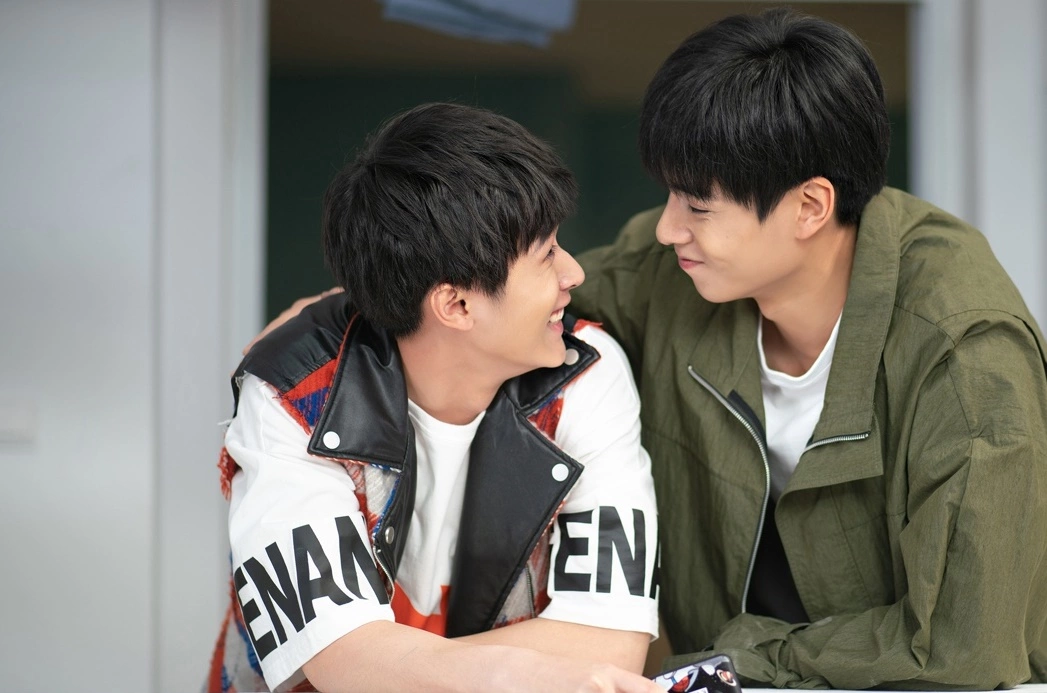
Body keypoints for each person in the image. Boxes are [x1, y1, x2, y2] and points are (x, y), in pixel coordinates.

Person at [255, 8, 1047, 690]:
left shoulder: (965, 354)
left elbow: (962, 645)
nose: (667, 228)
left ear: (810, 206)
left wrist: (738, 657)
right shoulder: (670, 273)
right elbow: (492, 292)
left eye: (696, 206)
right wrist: (336, 314)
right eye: (668, 194)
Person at [206, 102, 662, 693]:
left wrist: (388, 665)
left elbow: (612, 643)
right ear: (456, 304)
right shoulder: (293, 396)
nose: (574, 273)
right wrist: (521, 670)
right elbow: (342, 662)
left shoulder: (584, 372)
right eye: (547, 254)